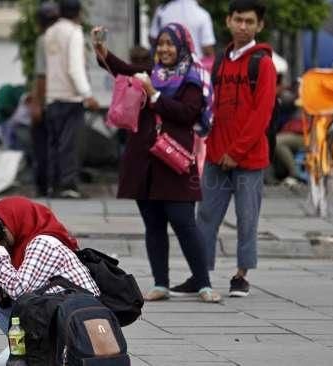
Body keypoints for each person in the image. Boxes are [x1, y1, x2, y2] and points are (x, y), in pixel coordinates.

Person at [92, 22, 220, 303]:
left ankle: (204, 283)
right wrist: (102, 50)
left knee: (184, 222)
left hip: (175, 163)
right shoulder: (152, 73)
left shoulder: (193, 78)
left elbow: (187, 114)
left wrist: (155, 95)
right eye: (160, 43)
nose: (164, 49)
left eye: (170, 44)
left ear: (183, 46)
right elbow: (122, 71)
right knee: (153, 223)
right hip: (144, 162)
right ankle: (161, 283)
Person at [172, 0, 277, 298]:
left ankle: (241, 275)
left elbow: (262, 115)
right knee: (205, 216)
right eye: (238, 20)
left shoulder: (263, 64)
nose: (243, 26)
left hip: (250, 159)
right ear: (229, 21)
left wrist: (237, 151)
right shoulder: (219, 61)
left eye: (250, 22)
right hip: (217, 155)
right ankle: (200, 275)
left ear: (259, 26)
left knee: (247, 218)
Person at [0, 196, 100, 365]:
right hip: (53, 315)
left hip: (77, 326)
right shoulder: (16, 246)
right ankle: (35, 351)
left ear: (18, 220)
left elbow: (20, 292)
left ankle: (40, 354)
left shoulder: (42, 242)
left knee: (3, 363)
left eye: (0, 226)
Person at [44, 0, 99, 199]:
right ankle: (68, 186)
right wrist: (87, 94)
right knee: (70, 144)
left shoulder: (50, 32)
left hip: (52, 97)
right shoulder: (74, 32)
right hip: (70, 97)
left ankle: (54, 185)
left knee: (55, 144)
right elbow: (74, 68)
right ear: (78, 13)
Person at [29, 1, 59, 197]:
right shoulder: (67, 36)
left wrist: (37, 103)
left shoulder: (43, 40)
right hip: (62, 99)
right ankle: (55, 184)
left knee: (42, 145)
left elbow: (41, 75)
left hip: (48, 100)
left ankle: (42, 185)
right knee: (58, 145)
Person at [149, 0, 216, 68]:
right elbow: (207, 47)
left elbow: (153, 39)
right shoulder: (203, 14)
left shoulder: (162, 11)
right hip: (194, 67)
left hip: (167, 67)